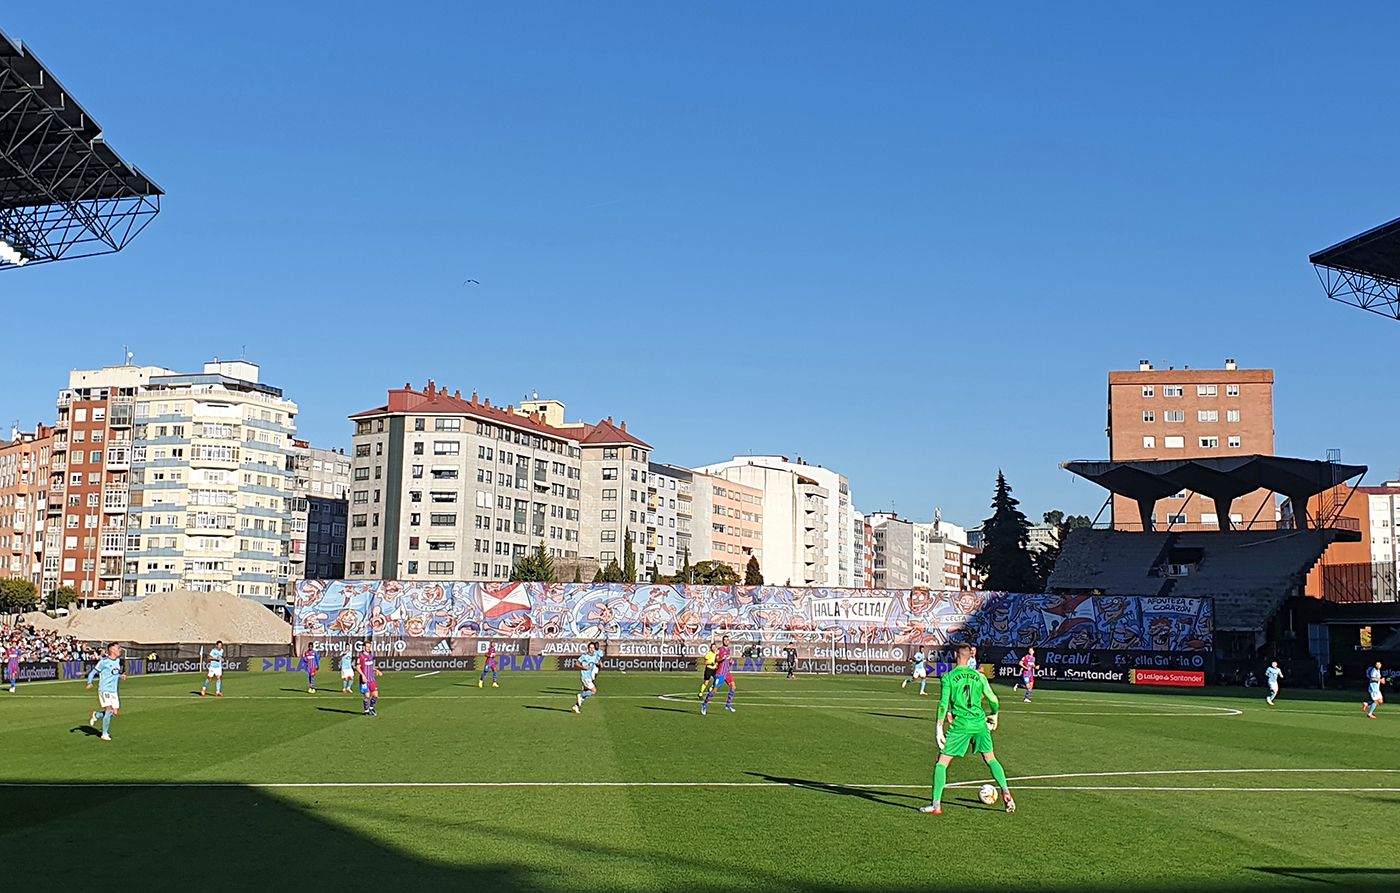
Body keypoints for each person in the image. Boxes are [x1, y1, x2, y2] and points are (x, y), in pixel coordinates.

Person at [921, 643, 1016, 816]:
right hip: (979, 723)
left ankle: (936, 805)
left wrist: (939, 727)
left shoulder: (948, 677)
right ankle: (1006, 792)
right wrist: (994, 713)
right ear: (970, 657)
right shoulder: (979, 676)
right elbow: (993, 698)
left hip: (961, 726)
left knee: (941, 763)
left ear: (956, 656)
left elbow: (943, 705)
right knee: (991, 759)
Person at [86, 643, 126, 742]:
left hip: (114, 691)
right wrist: (89, 682)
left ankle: (97, 715)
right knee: (108, 711)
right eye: (118, 648)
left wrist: (121, 676)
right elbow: (92, 672)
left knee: (114, 713)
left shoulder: (117, 660)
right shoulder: (104, 662)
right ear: (112, 650)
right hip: (104, 689)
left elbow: (114, 673)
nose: (120, 650)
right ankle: (104, 734)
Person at [702, 634, 736, 716]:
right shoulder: (720, 650)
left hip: (727, 672)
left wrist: (731, 662)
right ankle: (704, 704)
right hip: (720, 673)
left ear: (729, 641)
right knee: (714, 691)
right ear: (722, 641)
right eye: (725, 640)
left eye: (727, 640)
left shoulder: (728, 650)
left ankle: (728, 705)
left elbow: (727, 662)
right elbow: (717, 659)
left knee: (733, 687)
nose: (726, 641)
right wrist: (722, 658)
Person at [571, 641, 602, 715]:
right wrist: (583, 667)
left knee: (588, 692)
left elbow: (597, 662)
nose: (591, 649)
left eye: (593, 648)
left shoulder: (594, 656)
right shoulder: (584, 656)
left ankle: (576, 706)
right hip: (585, 677)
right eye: (590, 648)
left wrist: (599, 663)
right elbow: (576, 663)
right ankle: (580, 696)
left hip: (589, 677)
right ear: (588, 648)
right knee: (594, 691)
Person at [358, 642, 379, 716]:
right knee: (367, 696)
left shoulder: (371, 656)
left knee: (375, 695)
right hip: (365, 680)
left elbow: (370, 666)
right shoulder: (361, 656)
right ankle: (366, 711)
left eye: (369, 646)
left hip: (372, 679)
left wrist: (376, 670)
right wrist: (363, 675)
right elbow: (358, 668)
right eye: (367, 646)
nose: (368, 648)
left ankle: (371, 708)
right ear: (364, 647)